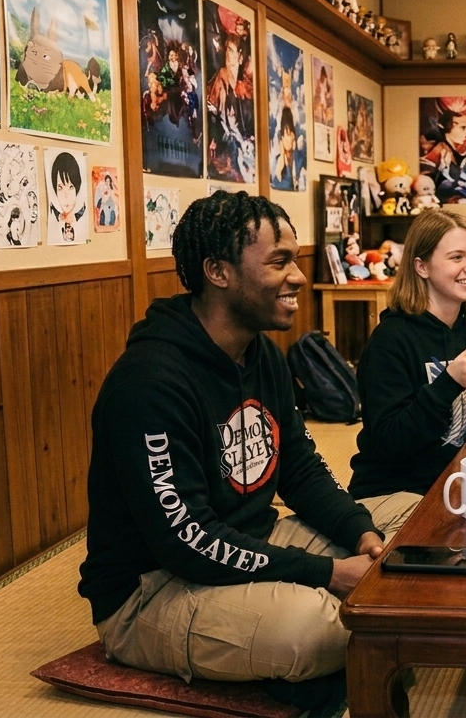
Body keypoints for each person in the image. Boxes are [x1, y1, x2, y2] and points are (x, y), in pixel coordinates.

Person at [78, 192, 399, 713]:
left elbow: (300, 468)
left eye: (294, 259)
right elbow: (187, 540)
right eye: (279, 262)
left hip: (253, 539)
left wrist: (360, 533)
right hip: (153, 588)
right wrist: (327, 575)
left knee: (409, 525)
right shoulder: (150, 383)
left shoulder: (261, 354)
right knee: (318, 626)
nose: (298, 276)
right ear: (218, 272)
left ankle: (321, 659)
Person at [349, 210, 466, 503]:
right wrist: (449, 383)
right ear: (421, 266)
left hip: (455, 482)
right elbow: (391, 442)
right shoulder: (390, 340)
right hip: (396, 491)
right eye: (457, 257)